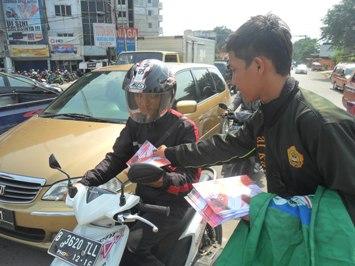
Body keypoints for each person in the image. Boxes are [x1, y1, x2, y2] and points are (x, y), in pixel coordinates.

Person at [155, 14, 355, 224]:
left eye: (234, 70)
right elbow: (228, 146)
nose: (232, 81)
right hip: (286, 237)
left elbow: (347, 207)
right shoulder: (266, 115)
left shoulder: (321, 124)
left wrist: (269, 209)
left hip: (321, 251)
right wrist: (170, 154)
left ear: (259, 66)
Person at [77, 59, 200, 266]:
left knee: (133, 247)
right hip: (140, 200)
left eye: (150, 97)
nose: (143, 103)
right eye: (137, 97)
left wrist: (163, 181)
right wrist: (85, 182)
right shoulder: (135, 122)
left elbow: (191, 178)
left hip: (173, 205)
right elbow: (116, 158)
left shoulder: (184, 127)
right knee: (109, 238)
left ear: (166, 97)